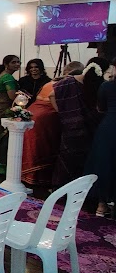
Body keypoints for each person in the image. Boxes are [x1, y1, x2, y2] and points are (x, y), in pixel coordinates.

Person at [51, 56, 108, 189]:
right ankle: (81, 189)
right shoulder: (101, 84)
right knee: (84, 159)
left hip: (70, 126)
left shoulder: (69, 81)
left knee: (66, 158)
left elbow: (51, 95)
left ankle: (61, 189)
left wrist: (62, 112)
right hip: (90, 128)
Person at [85, 58, 116, 216]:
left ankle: (102, 204)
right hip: (109, 127)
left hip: (109, 127)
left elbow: (101, 108)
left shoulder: (107, 86)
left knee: (104, 163)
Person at [21, 76, 61, 187]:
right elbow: (52, 96)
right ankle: (37, 177)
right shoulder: (62, 84)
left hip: (32, 112)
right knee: (41, 147)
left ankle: (26, 175)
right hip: (45, 118)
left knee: (29, 146)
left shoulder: (48, 83)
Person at [0, 55, 21, 175]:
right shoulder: (7, 77)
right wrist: (24, 95)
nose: (17, 64)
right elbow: (12, 96)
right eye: (14, 62)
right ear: (6, 64)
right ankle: (0, 167)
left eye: (18, 62)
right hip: (3, 110)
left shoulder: (3, 75)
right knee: (1, 137)